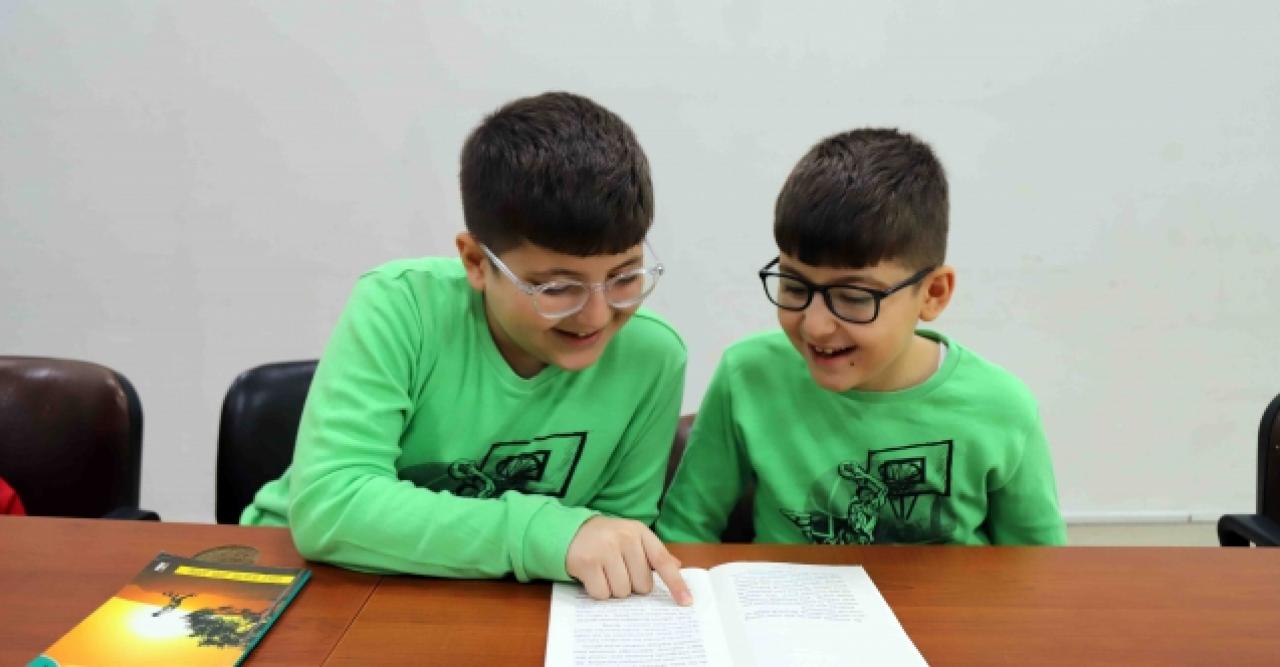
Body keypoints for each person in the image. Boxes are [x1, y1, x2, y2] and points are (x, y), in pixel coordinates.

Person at [244, 92, 691, 603]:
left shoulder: (652, 357)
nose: (596, 315)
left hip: (494, 599)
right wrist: (546, 534)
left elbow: (615, 538)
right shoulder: (401, 305)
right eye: (556, 288)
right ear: (476, 262)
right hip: (308, 579)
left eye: (625, 277)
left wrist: (586, 542)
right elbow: (332, 506)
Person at [658, 128, 1066, 546]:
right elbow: (685, 531)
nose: (816, 326)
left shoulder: (1002, 409)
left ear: (933, 293)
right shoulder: (747, 374)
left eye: (854, 298)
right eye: (795, 287)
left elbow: (1039, 568)